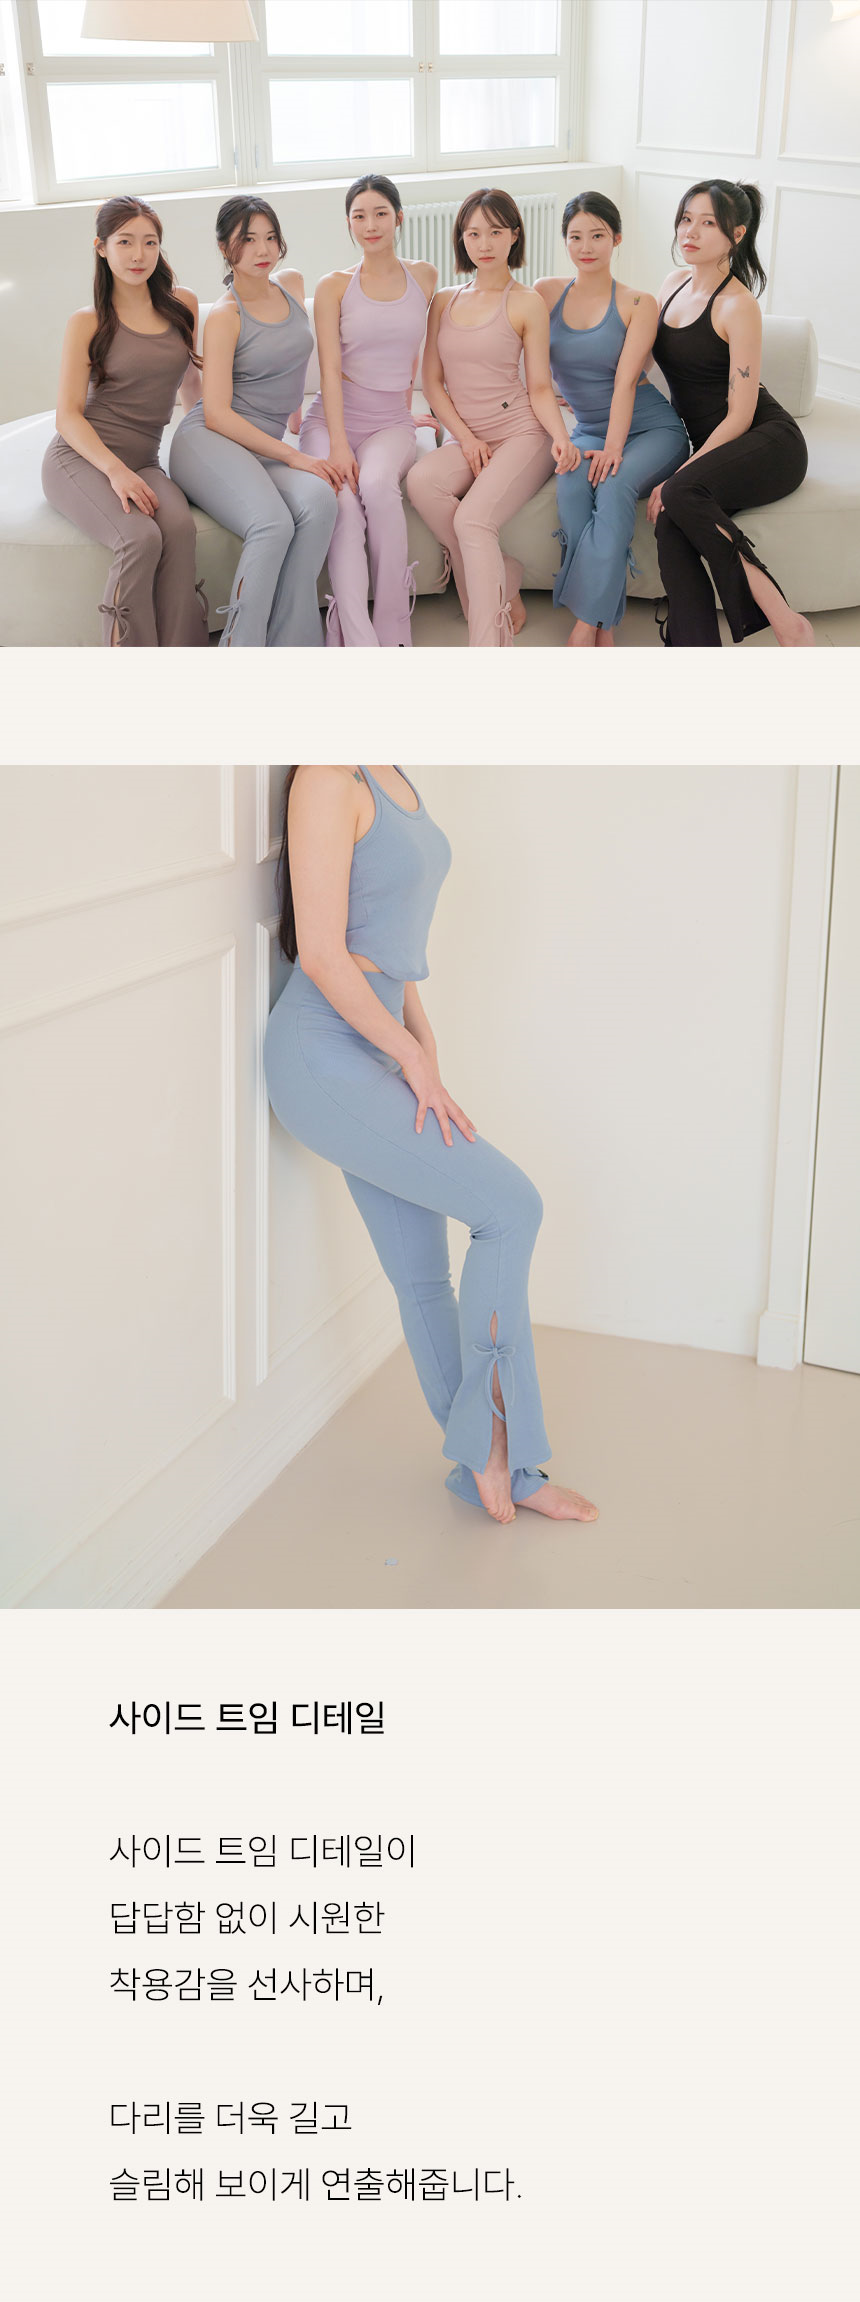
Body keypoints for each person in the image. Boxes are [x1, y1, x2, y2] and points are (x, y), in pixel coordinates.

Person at [265, 764, 600, 1527]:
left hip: (378, 1041)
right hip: (320, 1055)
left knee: (422, 1275)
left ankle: (493, 1466)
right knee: (510, 1209)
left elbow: (386, 935)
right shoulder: (328, 775)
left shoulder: (392, 770)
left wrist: (424, 1042)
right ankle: (501, 1446)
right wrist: (409, 1056)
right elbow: (322, 953)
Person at [406, 190, 578, 646]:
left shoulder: (526, 302)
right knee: (421, 481)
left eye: (495, 232)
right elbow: (433, 384)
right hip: (469, 435)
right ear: (461, 239)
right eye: (473, 233)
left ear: (514, 236)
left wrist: (560, 437)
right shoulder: (444, 301)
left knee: (472, 521)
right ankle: (505, 571)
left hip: (522, 433)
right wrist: (464, 438)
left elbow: (539, 387)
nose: (484, 243)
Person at [169, 196, 339, 647]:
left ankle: (292, 642)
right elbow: (217, 412)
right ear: (225, 247)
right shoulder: (225, 316)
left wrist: (295, 414)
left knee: (321, 501)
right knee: (273, 523)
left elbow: (291, 356)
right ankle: (241, 646)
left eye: (270, 237)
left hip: (261, 445)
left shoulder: (291, 284)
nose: (263, 250)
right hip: (209, 440)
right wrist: (293, 456)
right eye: (248, 240)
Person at [649, 179, 812, 646]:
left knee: (678, 493)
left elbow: (740, 416)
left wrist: (679, 474)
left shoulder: (738, 305)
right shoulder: (672, 284)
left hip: (768, 442)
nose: (690, 232)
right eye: (686, 219)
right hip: (718, 446)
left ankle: (787, 623)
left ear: (736, 235)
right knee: (671, 523)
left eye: (708, 223)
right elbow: (640, 354)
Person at [42, 194, 207, 647]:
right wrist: (115, 471)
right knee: (139, 538)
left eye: (150, 242)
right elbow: (67, 416)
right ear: (101, 248)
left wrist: (213, 445)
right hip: (81, 460)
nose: (139, 255)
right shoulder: (88, 322)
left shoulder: (184, 305)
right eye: (125, 242)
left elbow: (192, 386)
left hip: (144, 460)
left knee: (179, 529)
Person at [534, 192, 687, 645]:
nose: (586, 247)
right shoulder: (546, 293)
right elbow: (534, 369)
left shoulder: (639, 303)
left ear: (616, 238)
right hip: (587, 428)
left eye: (598, 235)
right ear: (565, 241)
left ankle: (586, 625)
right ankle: (607, 620)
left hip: (651, 429)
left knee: (614, 483)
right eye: (575, 237)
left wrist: (614, 449)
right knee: (571, 489)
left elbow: (624, 384)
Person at [300, 173, 436, 646]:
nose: (371, 225)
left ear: (399, 218)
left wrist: (405, 407)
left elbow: (414, 351)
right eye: (359, 216)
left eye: (380, 214)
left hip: (390, 422)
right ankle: (358, 638)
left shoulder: (424, 277)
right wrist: (339, 446)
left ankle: (393, 628)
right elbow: (329, 369)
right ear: (349, 224)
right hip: (331, 420)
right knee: (341, 501)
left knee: (377, 487)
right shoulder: (334, 286)